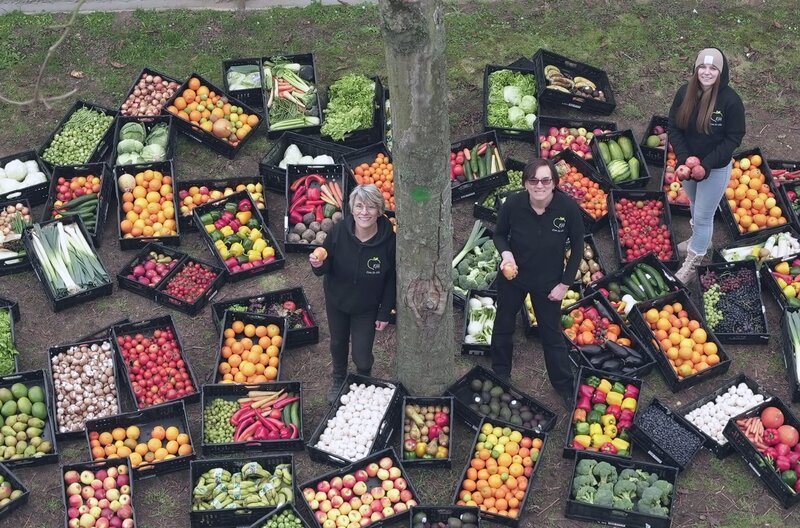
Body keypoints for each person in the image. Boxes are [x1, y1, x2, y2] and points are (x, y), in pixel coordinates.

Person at [491, 158, 585, 410]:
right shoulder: (514, 203)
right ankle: (500, 373)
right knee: (503, 324)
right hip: (514, 278)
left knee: (552, 333)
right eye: (533, 180)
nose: (539, 185)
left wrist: (565, 284)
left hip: (548, 282)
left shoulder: (567, 208)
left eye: (545, 180)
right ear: (525, 183)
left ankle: (564, 385)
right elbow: (499, 234)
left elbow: (578, 247)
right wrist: (506, 255)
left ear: (554, 183)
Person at [310, 184, 396, 404]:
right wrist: (317, 264)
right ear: (352, 208)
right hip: (337, 300)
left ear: (379, 210)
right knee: (338, 342)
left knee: (362, 354)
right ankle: (338, 377)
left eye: (370, 207)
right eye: (359, 206)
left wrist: (384, 312)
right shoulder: (338, 232)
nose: (364, 212)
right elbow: (325, 265)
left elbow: (391, 279)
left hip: (366, 307)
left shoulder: (390, 242)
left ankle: (362, 380)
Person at [669, 47, 745, 283]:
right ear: (695, 68)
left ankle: (694, 260)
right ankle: (699, 240)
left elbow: (734, 137)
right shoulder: (685, 93)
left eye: (713, 68)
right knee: (693, 203)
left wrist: (708, 164)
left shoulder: (731, 101)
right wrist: (684, 159)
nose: (707, 72)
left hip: (715, 168)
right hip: (689, 166)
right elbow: (673, 127)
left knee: (703, 217)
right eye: (702, 66)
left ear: (721, 72)